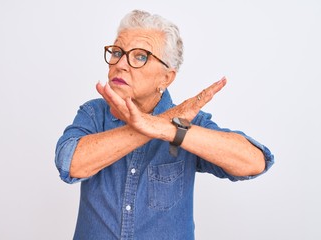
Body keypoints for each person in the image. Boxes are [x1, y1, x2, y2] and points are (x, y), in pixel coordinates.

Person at [54, 9, 274, 240]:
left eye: (140, 56)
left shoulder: (187, 123)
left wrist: (168, 129)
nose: (120, 64)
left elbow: (255, 162)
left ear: (166, 78)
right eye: (117, 52)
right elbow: (70, 164)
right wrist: (152, 125)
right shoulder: (94, 113)